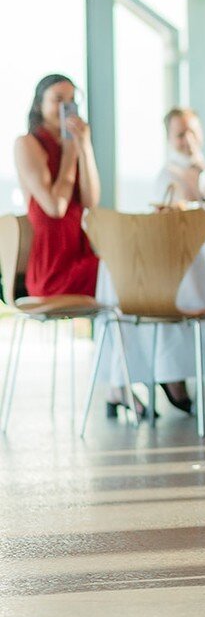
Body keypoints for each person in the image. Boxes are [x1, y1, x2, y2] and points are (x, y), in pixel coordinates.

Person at [13, 76, 134, 416]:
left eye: (71, 99)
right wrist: (68, 153)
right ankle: (119, 384)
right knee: (122, 275)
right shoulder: (26, 144)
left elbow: (91, 198)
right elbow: (55, 206)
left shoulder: (74, 144)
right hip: (52, 266)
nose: (66, 107)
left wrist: (85, 147)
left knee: (128, 278)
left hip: (80, 253)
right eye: (57, 100)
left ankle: (120, 383)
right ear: (41, 104)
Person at [155, 107, 205, 204]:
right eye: (180, 135)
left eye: (192, 132)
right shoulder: (167, 177)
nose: (188, 140)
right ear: (169, 138)